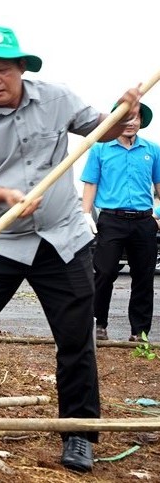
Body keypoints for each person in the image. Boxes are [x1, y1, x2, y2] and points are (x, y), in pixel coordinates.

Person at [0, 25, 143, 473]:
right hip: (3, 238)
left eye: (2, 70)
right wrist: (6, 196)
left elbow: (99, 131)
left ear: (22, 69)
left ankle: (79, 433)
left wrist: (122, 110)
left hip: (63, 236)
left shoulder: (56, 97)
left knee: (74, 336)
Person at [81, 102, 159, 342]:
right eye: (125, 117)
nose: (131, 122)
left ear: (141, 121)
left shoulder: (152, 150)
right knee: (104, 272)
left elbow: (158, 186)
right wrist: (85, 214)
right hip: (111, 220)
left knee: (144, 276)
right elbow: (91, 183)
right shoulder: (100, 148)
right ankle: (99, 324)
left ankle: (140, 331)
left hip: (144, 221)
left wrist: (157, 215)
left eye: (135, 117)